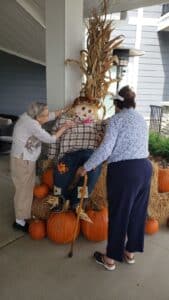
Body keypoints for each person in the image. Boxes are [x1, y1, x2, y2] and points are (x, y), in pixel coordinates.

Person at [76, 85, 152, 271]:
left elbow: (106, 149)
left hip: (124, 171)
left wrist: (86, 167)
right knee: (137, 213)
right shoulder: (141, 119)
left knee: (119, 214)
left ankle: (110, 259)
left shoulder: (116, 120)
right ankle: (130, 252)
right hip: (144, 168)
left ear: (118, 104)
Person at [11, 102, 74, 232]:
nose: (47, 116)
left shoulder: (28, 115)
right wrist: (65, 127)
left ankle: (21, 215)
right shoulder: (33, 125)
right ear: (37, 117)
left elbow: (49, 115)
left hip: (21, 158)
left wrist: (63, 111)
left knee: (24, 188)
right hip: (23, 161)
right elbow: (51, 139)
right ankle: (19, 221)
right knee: (23, 190)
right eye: (44, 115)